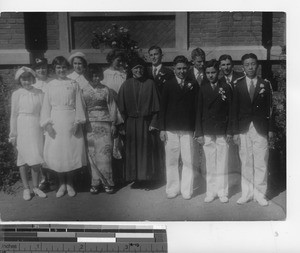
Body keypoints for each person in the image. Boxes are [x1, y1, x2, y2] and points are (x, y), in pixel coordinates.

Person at [41, 56, 87, 198]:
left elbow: (79, 104)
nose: (61, 70)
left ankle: (70, 183)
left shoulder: (74, 84)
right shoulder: (50, 85)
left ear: (68, 69)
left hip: (70, 120)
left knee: (71, 152)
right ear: (54, 69)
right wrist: (47, 124)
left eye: (63, 67)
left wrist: (78, 122)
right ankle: (61, 183)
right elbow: (45, 107)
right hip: (56, 122)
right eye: (58, 68)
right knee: (59, 154)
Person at [232, 53, 274, 206]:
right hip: (243, 128)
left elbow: (270, 109)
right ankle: (247, 193)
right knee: (246, 161)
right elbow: (233, 110)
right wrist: (235, 131)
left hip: (260, 128)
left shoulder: (265, 84)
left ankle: (260, 194)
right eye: (247, 64)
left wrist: (270, 129)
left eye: (253, 64)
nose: (250, 67)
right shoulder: (238, 84)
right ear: (243, 67)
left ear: (257, 65)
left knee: (261, 160)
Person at [159, 55, 199, 200]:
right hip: (171, 128)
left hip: (188, 127)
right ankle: (172, 189)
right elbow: (162, 107)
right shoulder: (168, 84)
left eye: (184, 68)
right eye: (179, 68)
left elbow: (197, 107)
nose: (181, 71)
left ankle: (186, 190)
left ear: (188, 69)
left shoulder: (193, 84)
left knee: (188, 159)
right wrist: (162, 129)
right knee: (171, 160)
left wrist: (196, 128)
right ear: (174, 69)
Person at [118, 57, 160, 188]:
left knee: (146, 151)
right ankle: (136, 178)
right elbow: (120, 109)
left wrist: (154, 122)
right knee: (133, 152)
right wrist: (122, 126)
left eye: (141, 68)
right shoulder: (126, 85)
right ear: (131, 70)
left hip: (146, 123)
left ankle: (147, 179)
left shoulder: (150, 84)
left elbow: (157, 108)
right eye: (136, 68)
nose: (139, 70)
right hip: (131, 124)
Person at [195, 59, 232, 203]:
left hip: (222, 129)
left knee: (222, 161)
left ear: (219, 72)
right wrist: (199, 132)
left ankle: (222, 191)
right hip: (207, 129)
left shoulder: (225, 87)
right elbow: (198, 111)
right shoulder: (203, 89)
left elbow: (231, 110)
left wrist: (229, 131)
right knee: (210, 162)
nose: (211, 75)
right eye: (208, 73)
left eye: (213, 72)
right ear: (205, 73)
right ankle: (211, 191)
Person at [83, 65, 123, 194]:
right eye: (92, 76)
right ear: (88, 77)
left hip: (105, 124)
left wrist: (113, 124)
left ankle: (108, 182)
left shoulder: (106, 90)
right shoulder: (83, 90)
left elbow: (112, 107)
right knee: (92, 154)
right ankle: (95, 182)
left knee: (105, 154)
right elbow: (82, 109)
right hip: (89, 125)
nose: (95, 78)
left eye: (97, 76)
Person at [9, 66, 46, 200]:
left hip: (36, 126)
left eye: (29, 78)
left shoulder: (40, 93)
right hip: (22, 125)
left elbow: (43, 113)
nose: (27, 82)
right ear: (20, 80)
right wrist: (13, 133)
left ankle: (35, 187)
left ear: (33, 79)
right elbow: (13, 115)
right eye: (23, 79)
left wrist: (44, 129)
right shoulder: (17, 94)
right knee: (23, 159)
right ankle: (26, 188)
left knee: (36, 157)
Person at [101, 49, 127, 183]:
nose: (120, 63)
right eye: (118, 60)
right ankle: (112, 176)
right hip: (111, 110)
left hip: (123, 110)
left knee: (122, 143)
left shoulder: (124, 74)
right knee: (111, 143)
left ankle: (123, 175)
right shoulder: (105, 74)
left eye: (122, 61)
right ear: (111, 60)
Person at [32, 57, 53, 191]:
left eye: (43, 67)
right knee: (40, 149)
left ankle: (54, 176)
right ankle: (43, 178)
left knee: (51, 148)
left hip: (51, 120)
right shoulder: (33, 85)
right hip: (37, 121)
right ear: (34, 70)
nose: (41, 70)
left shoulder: (52, 82)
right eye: (38, 68)